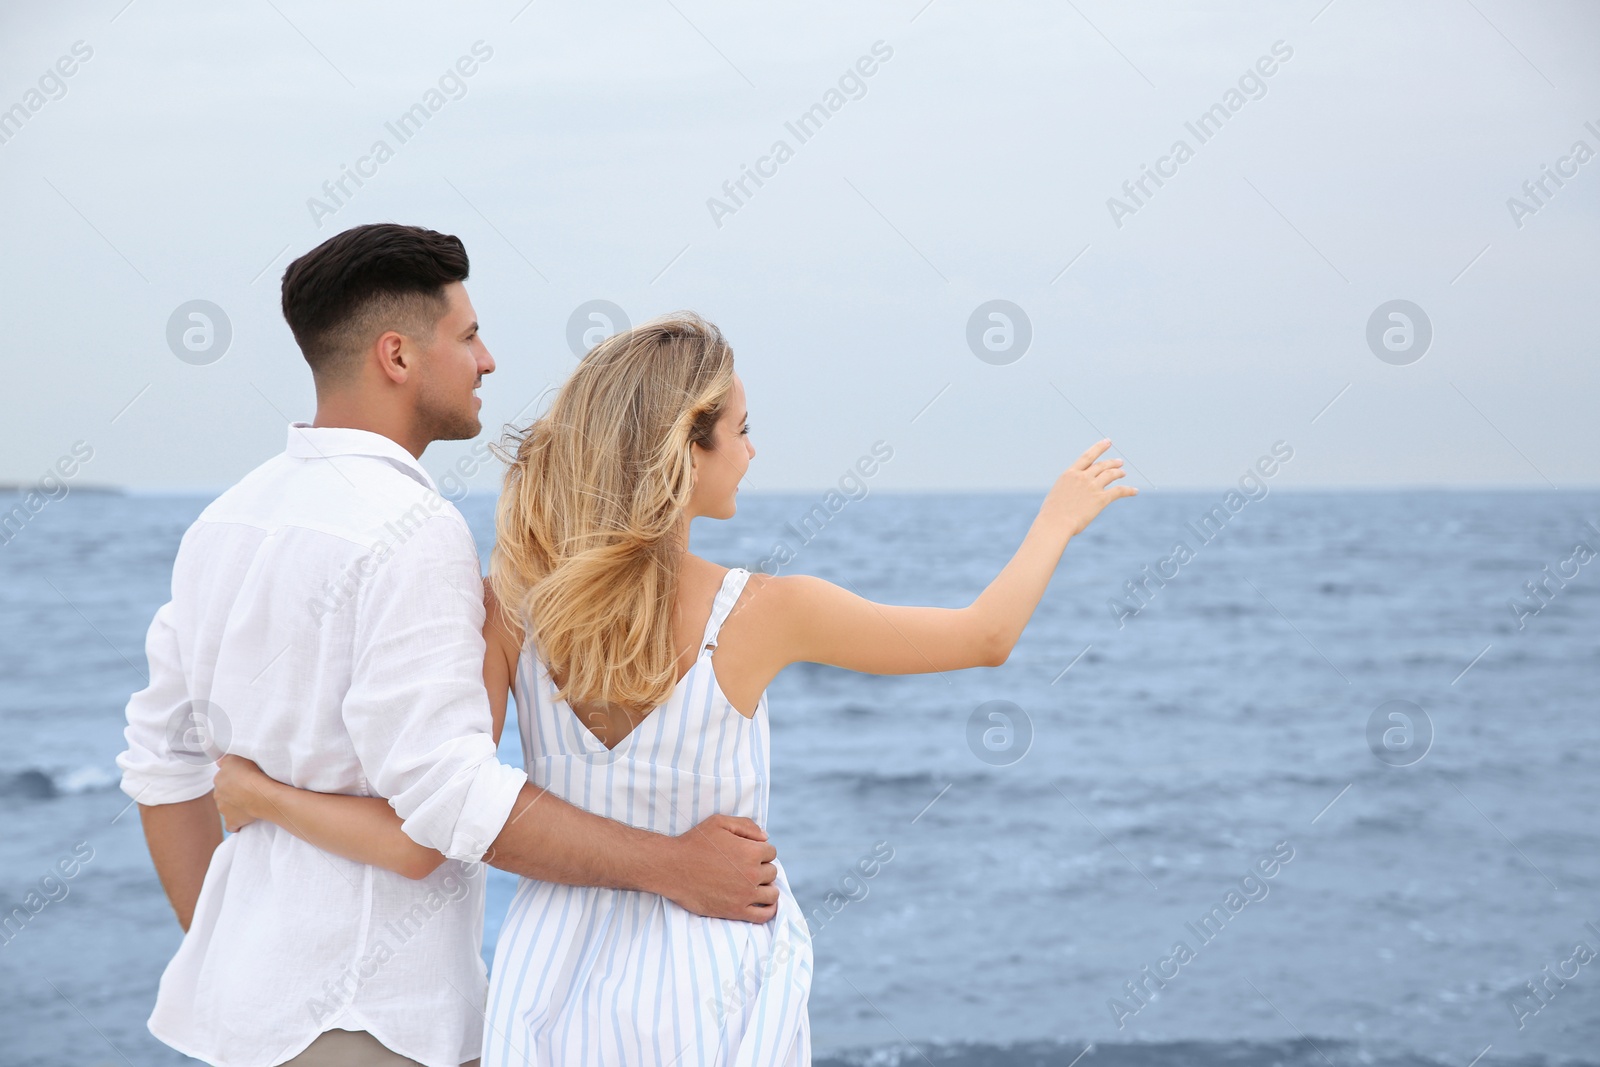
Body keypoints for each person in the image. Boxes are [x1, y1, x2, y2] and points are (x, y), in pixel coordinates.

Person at [215, 310, 1137, 1064]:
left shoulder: (513, 605)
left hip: (549, 974)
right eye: (739, 429)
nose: (750, 451)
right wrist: (1058, 520)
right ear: (684, 451)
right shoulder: (768, 610)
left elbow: (438, 815)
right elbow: (986, 636)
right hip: (713, 969)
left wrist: (263, 791)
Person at [116, 225, 777, 1067]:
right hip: (375, 1027)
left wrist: (239, 957)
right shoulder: (412, 528)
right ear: (397, 356)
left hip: (247, 1022)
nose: (489, 360)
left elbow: (163, 765)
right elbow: (446, 803)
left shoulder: (225, 522)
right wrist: (676, 867)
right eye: (467, 336)